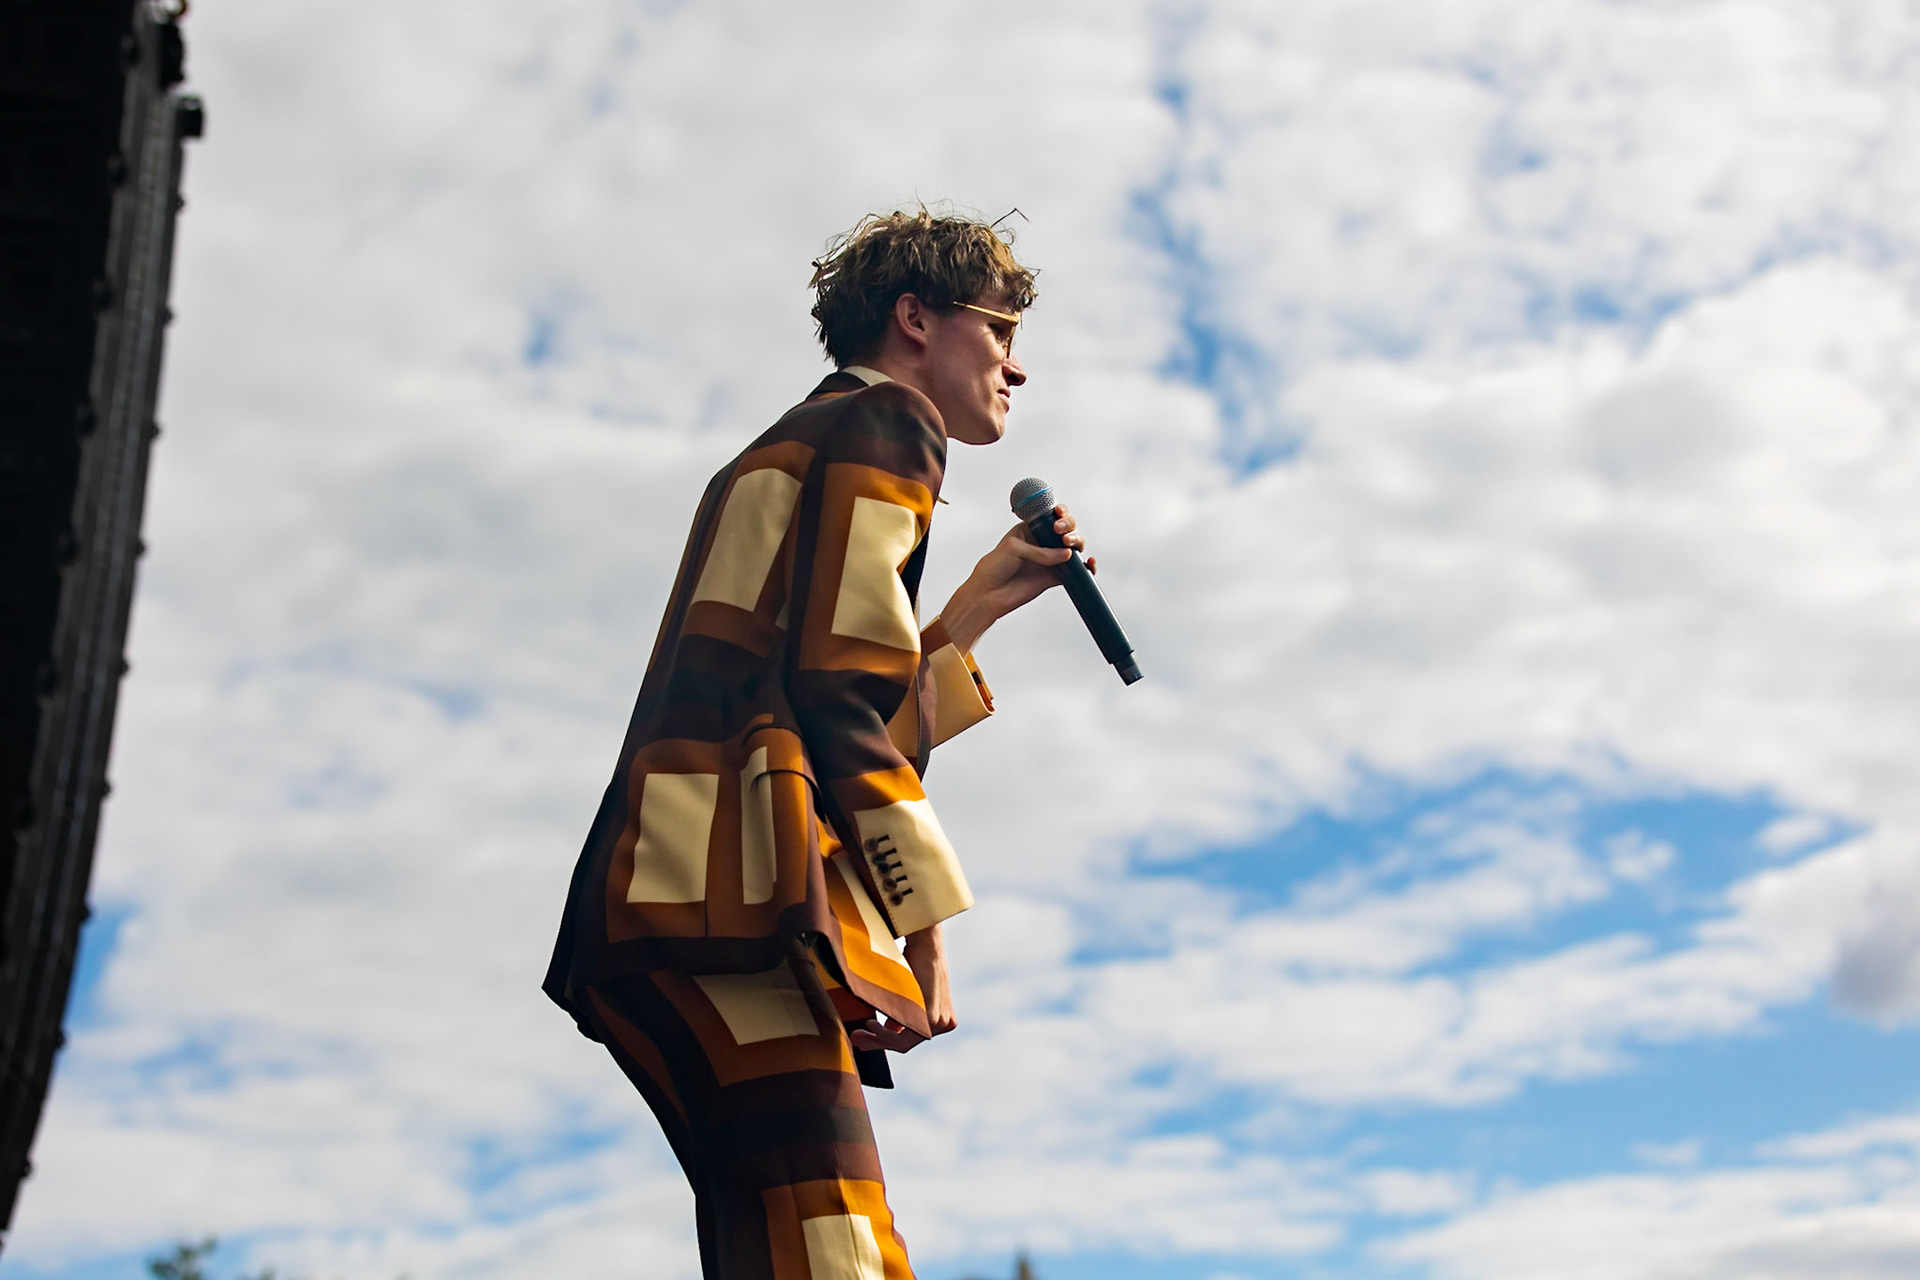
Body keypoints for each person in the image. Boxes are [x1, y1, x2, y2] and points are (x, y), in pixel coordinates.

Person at [543, 209, 1090, 1279]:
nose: (1016, 369)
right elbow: (840, 703)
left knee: (783, 1245)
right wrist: (924, 924)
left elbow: (812, 688)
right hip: (726, 905)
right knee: (831, 1244)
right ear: (916, 317)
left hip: (662, 899)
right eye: (1001, 332)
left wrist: (971, 608)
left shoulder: (794, 440)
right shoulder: (893, 423)